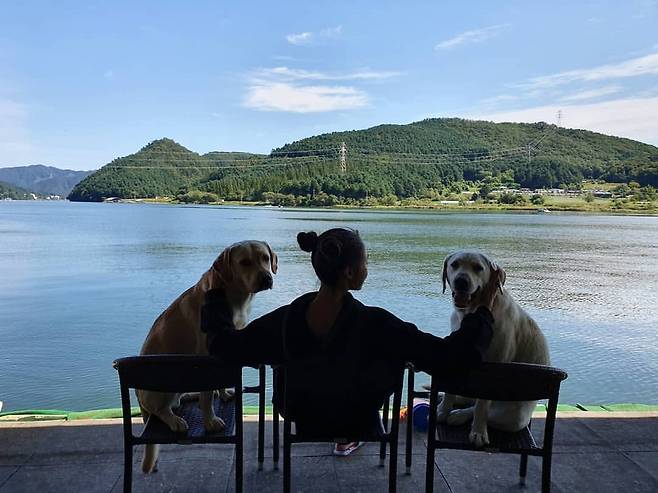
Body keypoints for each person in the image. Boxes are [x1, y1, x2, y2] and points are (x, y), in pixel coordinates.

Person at [201, 228, 494, 456]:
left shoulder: (284, 321)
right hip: (360, 419)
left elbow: (224, 345)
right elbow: (452, 358)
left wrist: (214, 296)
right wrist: (482, 312)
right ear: (350, 273)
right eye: (366, 262)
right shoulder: (380, 325)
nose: (368, 267)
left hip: (302, 417)